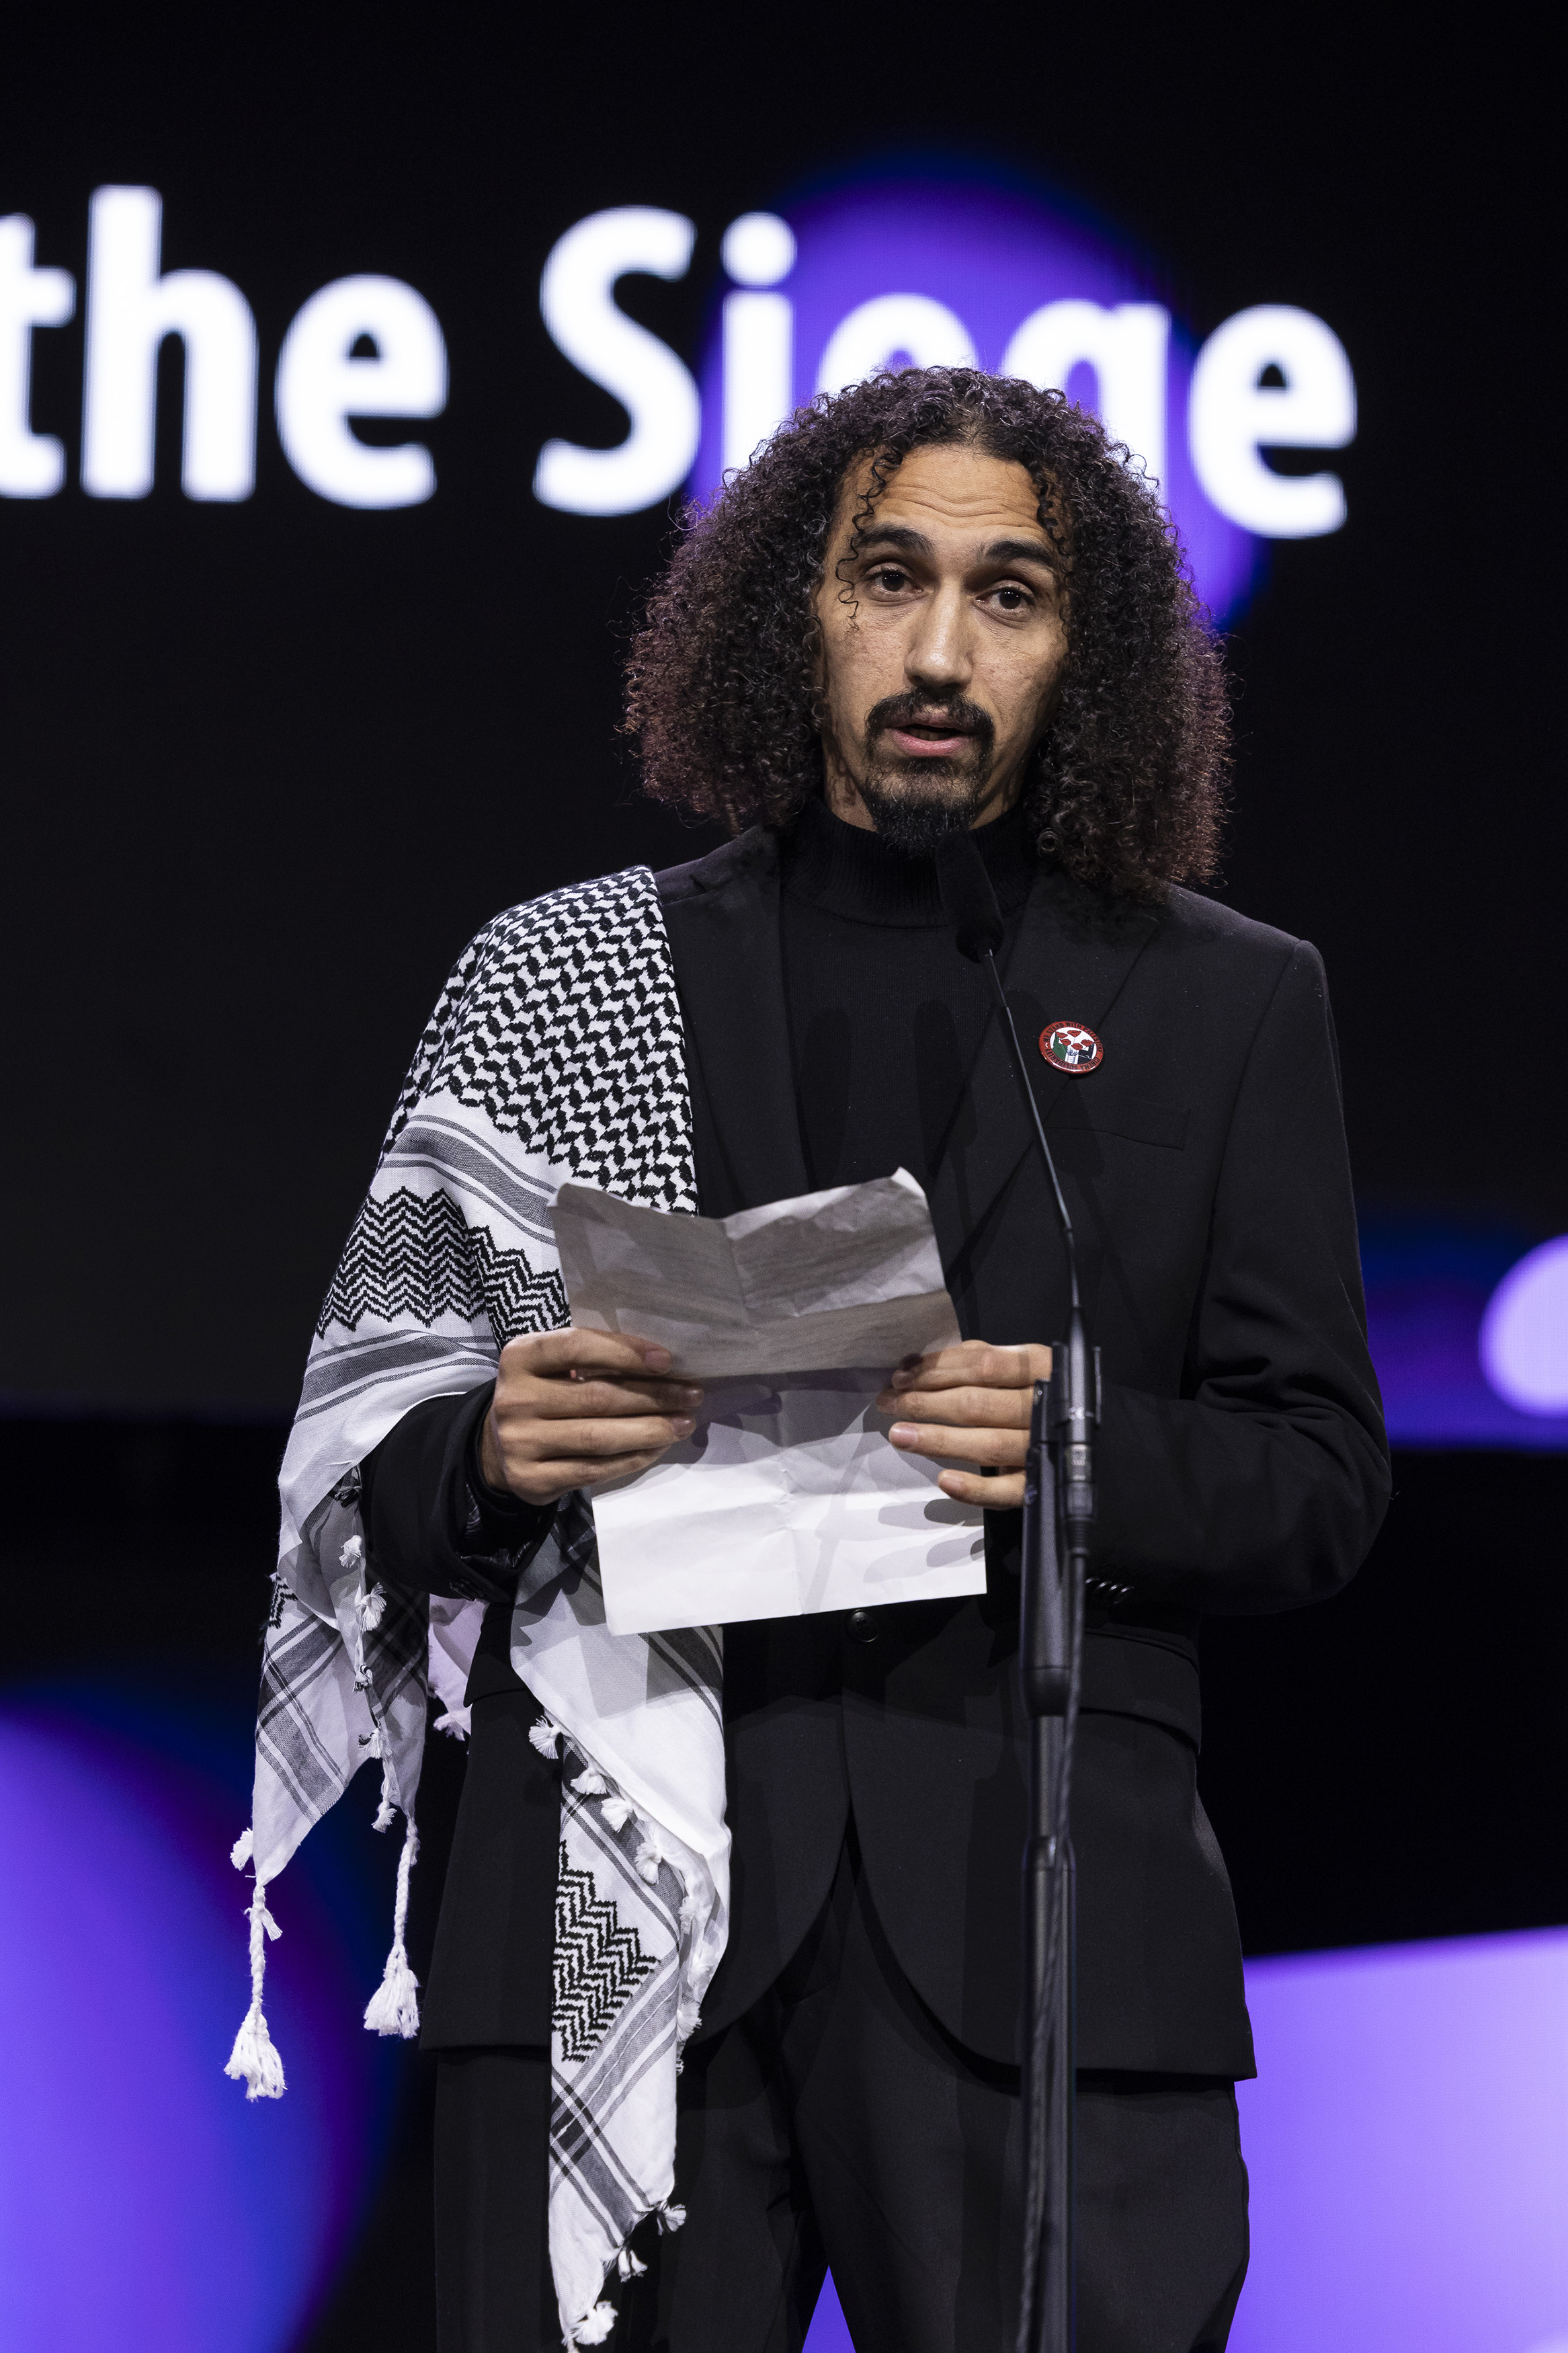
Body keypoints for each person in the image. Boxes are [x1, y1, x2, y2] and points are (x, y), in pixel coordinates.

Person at [237, 367, 1389, 2353]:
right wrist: (496, 1449)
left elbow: (1320, 1479)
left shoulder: (1226, 1002)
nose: (941, 651)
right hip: (614, 1917)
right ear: (798, 607)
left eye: (1009, 595)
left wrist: (1076, 1445)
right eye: (889, 577)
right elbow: (362, 1471)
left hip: (1040, 1940)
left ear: (1085, 650)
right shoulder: (569, 971)